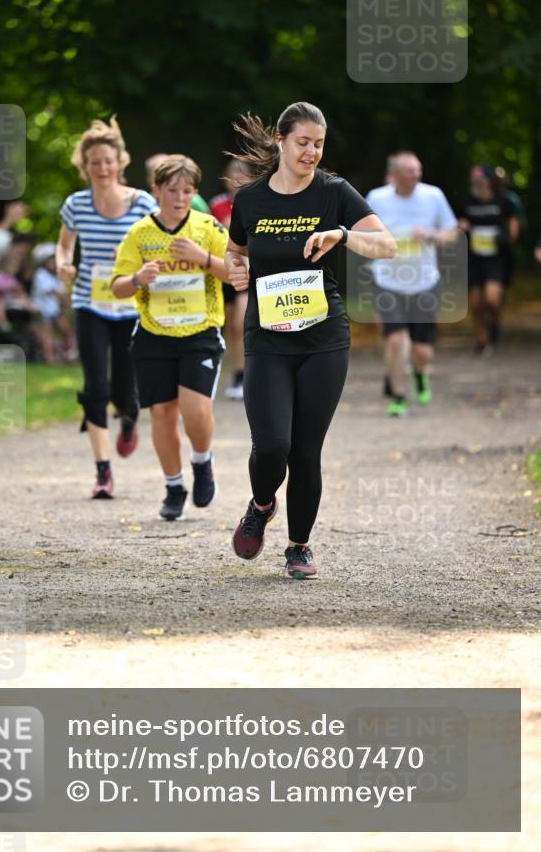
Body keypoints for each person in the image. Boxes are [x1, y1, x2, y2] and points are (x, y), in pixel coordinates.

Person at [225, 102, 396, 579]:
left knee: (305, 450)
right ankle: (261, 506)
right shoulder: (251, 199)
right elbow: (235, 251)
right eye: (303, 142)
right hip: (268, 339)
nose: (312, 152)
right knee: (272, 445)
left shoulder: (334, 193)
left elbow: (387, 244)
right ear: (280, 141)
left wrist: (341, 235)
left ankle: (298, 546)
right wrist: (235, 270)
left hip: (323, 340)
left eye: (319, 144)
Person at [111, 155, 229, 520]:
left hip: (200, 332)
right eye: (172, 190)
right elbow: (116, 288)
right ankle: (174, 486)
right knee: (162, 414)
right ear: (156, 190)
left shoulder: (207, 227)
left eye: (187, 191)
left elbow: (237, 274)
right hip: (154, 334)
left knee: (195, 410)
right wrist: (137, 280)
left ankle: (202, 461)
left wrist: (203, 257)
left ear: (194, 192)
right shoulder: (139, 233)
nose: (179, 198)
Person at [56, 118, 157, 499]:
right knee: (95, 387)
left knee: (125, 391)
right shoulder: (76, 204)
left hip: (130, 306)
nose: (102, 168)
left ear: (120, 163)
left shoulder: (141, 203)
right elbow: (64, 246)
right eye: (94, 162)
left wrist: (134, 256)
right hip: (89, 303)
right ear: (85, 165)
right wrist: (62, 263)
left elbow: (156, 245)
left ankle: (129, 419)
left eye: (108, 161)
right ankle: (103, 472)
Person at [366, 152, 458, 416]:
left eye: (418, 170)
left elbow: (452, 233)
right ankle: (398, 396)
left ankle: (419, 374)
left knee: (423, 351)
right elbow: (361, 232)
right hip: (387, 281)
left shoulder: (434, 196)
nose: (416, 175)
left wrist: (430, 234)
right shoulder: (376, 198)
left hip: (425, 282)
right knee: (395, 339)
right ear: (394, 176)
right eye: (410, 171)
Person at [457, 165, 520, 355]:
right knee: (475, 304)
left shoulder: (504, 201)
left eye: (480, 180)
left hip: (497, 258)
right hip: (474, 258)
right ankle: (481, 339)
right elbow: (456, 224)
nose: (477, 184)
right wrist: (461, 226)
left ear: (489, 181)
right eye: (474, 181)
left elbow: (514, 225)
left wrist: (507, 237)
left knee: (492, 299)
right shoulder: (467, 203)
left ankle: (494, 322)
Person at [209, 158, 249, 398]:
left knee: (241, 322)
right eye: (233, 176)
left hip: (245, 268)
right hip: (224, 268)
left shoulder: (254, 201)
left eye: (242, 176)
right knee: (230, 326)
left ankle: (248, 373)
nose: (237, 181)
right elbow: (219, 229)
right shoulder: (217, 203)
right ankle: (238, 373)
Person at [31, 242, 75, 364]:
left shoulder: (55, 277)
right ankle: (49, 357)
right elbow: (55, 292)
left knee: (67, 330)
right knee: (47, 334)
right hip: (43, 310)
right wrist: (68, 300)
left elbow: (63, 293)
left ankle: (66, 353)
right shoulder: (41, 274)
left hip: (54, 310)